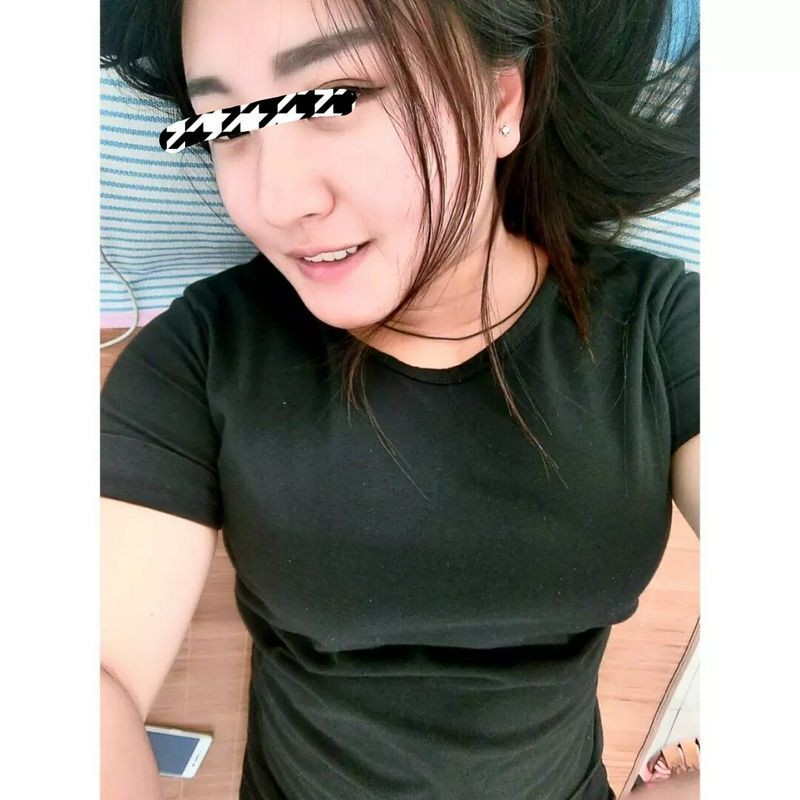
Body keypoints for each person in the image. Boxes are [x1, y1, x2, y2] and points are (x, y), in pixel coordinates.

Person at [99, 1, 700, 799]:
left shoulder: (658, 331)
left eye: (338, 99)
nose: (276, 200)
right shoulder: (203, 354)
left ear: (499, 101)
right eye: (225, 126)